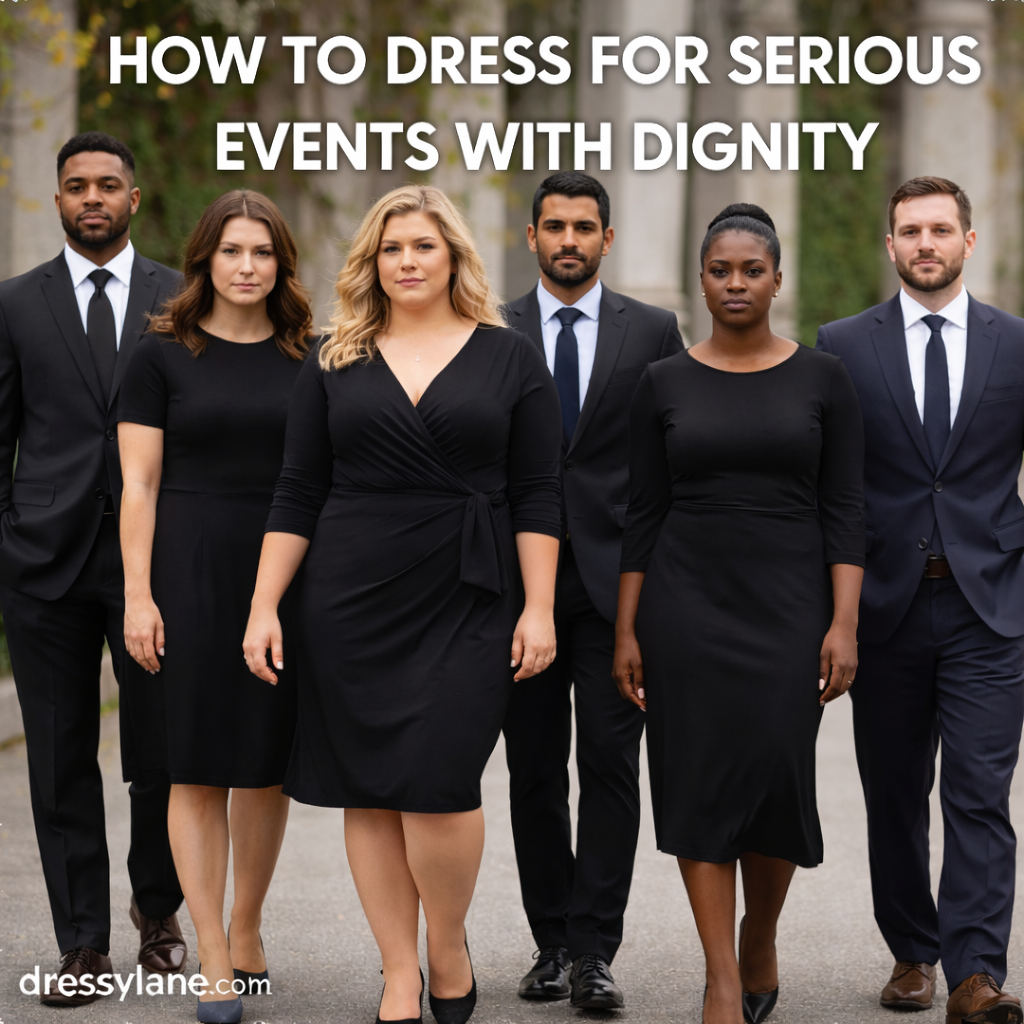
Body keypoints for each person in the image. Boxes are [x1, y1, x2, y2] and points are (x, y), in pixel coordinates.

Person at [242, 183, 562, 1024]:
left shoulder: (510, 354)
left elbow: (538, 492)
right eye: (391, 248)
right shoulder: (334, 354)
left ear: (453, 254)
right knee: (370, 787)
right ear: (370, 263)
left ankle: (447, 945)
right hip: (350, 593)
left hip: (472, 591)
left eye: (422, 245)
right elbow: (298, 487)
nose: (407, 261)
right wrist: (265, 605)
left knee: (440, 781)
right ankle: (398, 972)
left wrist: (540, 608)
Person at [614, 204, 865, 1024]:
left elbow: (845, 509)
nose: (734, 283)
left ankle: (761, 937)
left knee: (774, 784)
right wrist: (626, 628)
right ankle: (723, 975)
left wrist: (844, 623)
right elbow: (641, 514)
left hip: (791, 610)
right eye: (720, 270)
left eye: (750, 270)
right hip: (685, 610)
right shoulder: (663, 383)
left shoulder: (825, 378)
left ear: (776, 280)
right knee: (696, 786)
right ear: (701, 279)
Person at [817, 177, 1024, 1024]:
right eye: (910, 231)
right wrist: (833, 615)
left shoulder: (1016, 344)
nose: (926, 244)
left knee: (979, 793)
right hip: (888, 607)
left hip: (989, 607)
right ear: (891, 246)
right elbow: (834, 491)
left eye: (941, 229)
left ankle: (976, 973)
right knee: (896, 793)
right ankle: (913, 949)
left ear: (969, 241)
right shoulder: (843, 346)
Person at [0, 131, 186, 1005]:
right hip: (44, 567)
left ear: (135, 198)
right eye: (77, 187)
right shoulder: (15, 304)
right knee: (60, 757)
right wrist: (11, 534)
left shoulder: (177, 297)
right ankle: (81, 947)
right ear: (59, 199)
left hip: (153, 565)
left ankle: (160, 916)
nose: (93, 199)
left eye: (108, 184)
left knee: (157, 750)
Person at [118, 190, 311, 1024]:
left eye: (261, 253)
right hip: (186, 569)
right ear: (204, 259)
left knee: (264, 769)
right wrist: (138, 595)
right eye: (231, 251)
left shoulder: (313, 355)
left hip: (283, 573)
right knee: (193, 765)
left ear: (281, 265)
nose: (245, 266)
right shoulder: (160, 355)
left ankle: (246, 923)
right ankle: (213, 956)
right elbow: (138, 485)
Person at [501, 171, 683, 1010]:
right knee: (534, 771)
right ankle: (548, 942)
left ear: (608, 239)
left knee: (612, 767)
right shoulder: (489, 329)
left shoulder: (652, 330)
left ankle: (592, 952)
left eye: (584, 227)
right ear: (530, 236)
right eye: (554, 227)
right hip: (516, 591)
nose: (568, 240)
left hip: (621, 594)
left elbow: (674, 459)